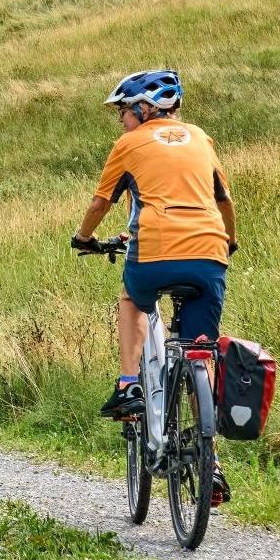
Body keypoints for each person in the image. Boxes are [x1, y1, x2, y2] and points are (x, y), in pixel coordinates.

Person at [71, 69, 236, 504]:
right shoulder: (201, 138)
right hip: (210, 254)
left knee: (132, 298)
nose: (121, 121)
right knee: (201, 348)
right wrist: (229, 241)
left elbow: (100, 202)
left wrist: (84, 238)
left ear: (145, 109)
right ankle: (210, 460)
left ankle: (130, 385)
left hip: (156, 252)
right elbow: (224, 201)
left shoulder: (129, 144)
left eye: (124, 111)